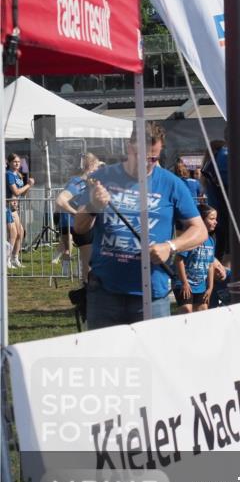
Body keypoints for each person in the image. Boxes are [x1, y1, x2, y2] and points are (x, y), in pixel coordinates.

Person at [73, 123, 207, 329]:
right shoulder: (102, 178)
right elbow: (79, 227)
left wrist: (170, 247)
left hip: (152, 295)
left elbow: (200, 230)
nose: (147, 163)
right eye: (141, 156)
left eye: (153, 158)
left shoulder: (171, 183)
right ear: (129, 148)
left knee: (152, 358)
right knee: (106, 358)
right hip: (104, 292)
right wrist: (93, 206)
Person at [55, 153, 101, 277]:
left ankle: (86, 285)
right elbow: (60, 200)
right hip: (83, 229)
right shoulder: (78, 182)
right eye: (97, 167)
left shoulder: (90, 183)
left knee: (92, 265)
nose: (98, 171)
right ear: (90, 166)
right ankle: (86, 290)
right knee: (88, 267)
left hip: (91, 227)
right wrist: (77, 214)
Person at [173, 204, 218, 314]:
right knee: (186, 311)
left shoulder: (211, 241)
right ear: (201, 220)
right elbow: (179, 259)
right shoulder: (190, 238)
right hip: (184, 284)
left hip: (201, 286)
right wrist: (184, 283)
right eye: (212, 219)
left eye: (216, 219)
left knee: (203, 311)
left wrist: (210, 287)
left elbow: (211, 265)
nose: (215, 222)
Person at [6, 154, 34, 269]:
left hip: (14, 208)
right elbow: (16, 192)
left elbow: (22, 194)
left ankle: (15, 258)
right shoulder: (8, 174)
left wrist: (28, 186)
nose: (17, 163)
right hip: (6, 207)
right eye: (14, 161)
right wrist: (28, 184)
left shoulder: (19, 175)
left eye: (18, 162)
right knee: (12, 233)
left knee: (20, 232)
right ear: (9, 162)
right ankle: (6, 259)